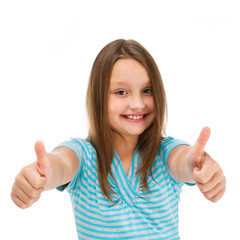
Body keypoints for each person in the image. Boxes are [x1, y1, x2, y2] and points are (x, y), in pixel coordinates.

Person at [11, 39, 226, 239]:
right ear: (98, 97)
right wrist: (42, 176)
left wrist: (198, 166)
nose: (137, 103)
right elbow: (61, 163)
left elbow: (183, 160)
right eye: (121, 92)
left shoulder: (165, 152)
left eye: (147, 90)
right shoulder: (83, 156)